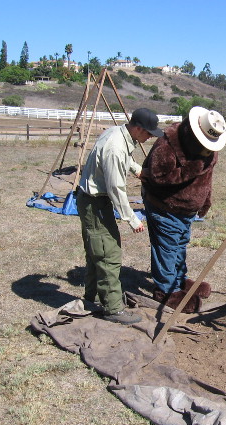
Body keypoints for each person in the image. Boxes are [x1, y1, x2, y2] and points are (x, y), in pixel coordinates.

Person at [76, 108, 163, 325]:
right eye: (149, 133)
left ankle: (92, 296)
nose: (150, 137)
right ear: (137, 128)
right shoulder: (115, 147)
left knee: (97, 252)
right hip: (96, 202)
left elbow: (125, 159)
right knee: (108, 254)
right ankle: (113, 308)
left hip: (95, 200)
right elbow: (116, 188)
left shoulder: (118, 133)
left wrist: (137, 170)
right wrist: (132, 219)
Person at [140, 106, 226, 313]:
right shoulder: (168, 143)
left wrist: (205, 200)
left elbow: (207, 178)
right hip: (165, 207)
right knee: (167, 249)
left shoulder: (208, 149)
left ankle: (180, 280)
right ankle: (166, 291)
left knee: (179, 245)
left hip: (186, 211)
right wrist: (192, 168)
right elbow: (159, 176)